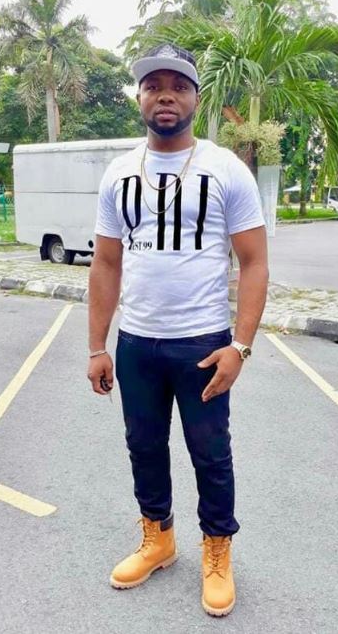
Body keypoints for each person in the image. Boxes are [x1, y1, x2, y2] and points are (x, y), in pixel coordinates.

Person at [87, 43, 269, 617]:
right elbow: (106, 264)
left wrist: (240, 347)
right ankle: (158, 539)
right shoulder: (119, 174)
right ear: (140, 97)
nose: (165, 95)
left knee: (210, 453)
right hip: (136, 343)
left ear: (195, 97)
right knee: (143, 446)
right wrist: (97, 346)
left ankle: (217, 550)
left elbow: (254, 263)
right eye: (153, 85)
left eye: (178, 85)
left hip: (203, 344)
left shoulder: (225, 169)